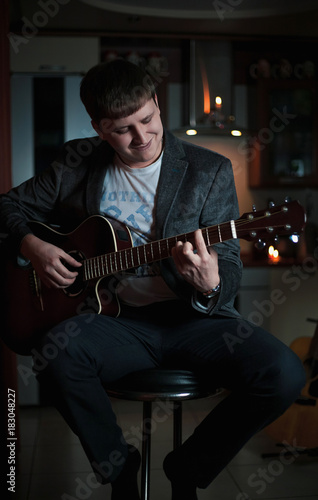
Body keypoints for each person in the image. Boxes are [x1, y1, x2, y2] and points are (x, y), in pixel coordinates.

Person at [0, 59, 305, 500]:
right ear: (98, 127)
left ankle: (188, 466)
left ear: (158, 104)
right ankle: (119, 467)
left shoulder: (209, 171)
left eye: (147, 119)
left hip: (195, 322)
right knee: (55, 354)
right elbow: (8, 206)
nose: (141, 138)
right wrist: (32, 244)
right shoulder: (76, 161)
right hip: (114, 322)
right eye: (122, 129)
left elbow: (231, 269)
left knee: (283, 373)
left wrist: (210, 284)